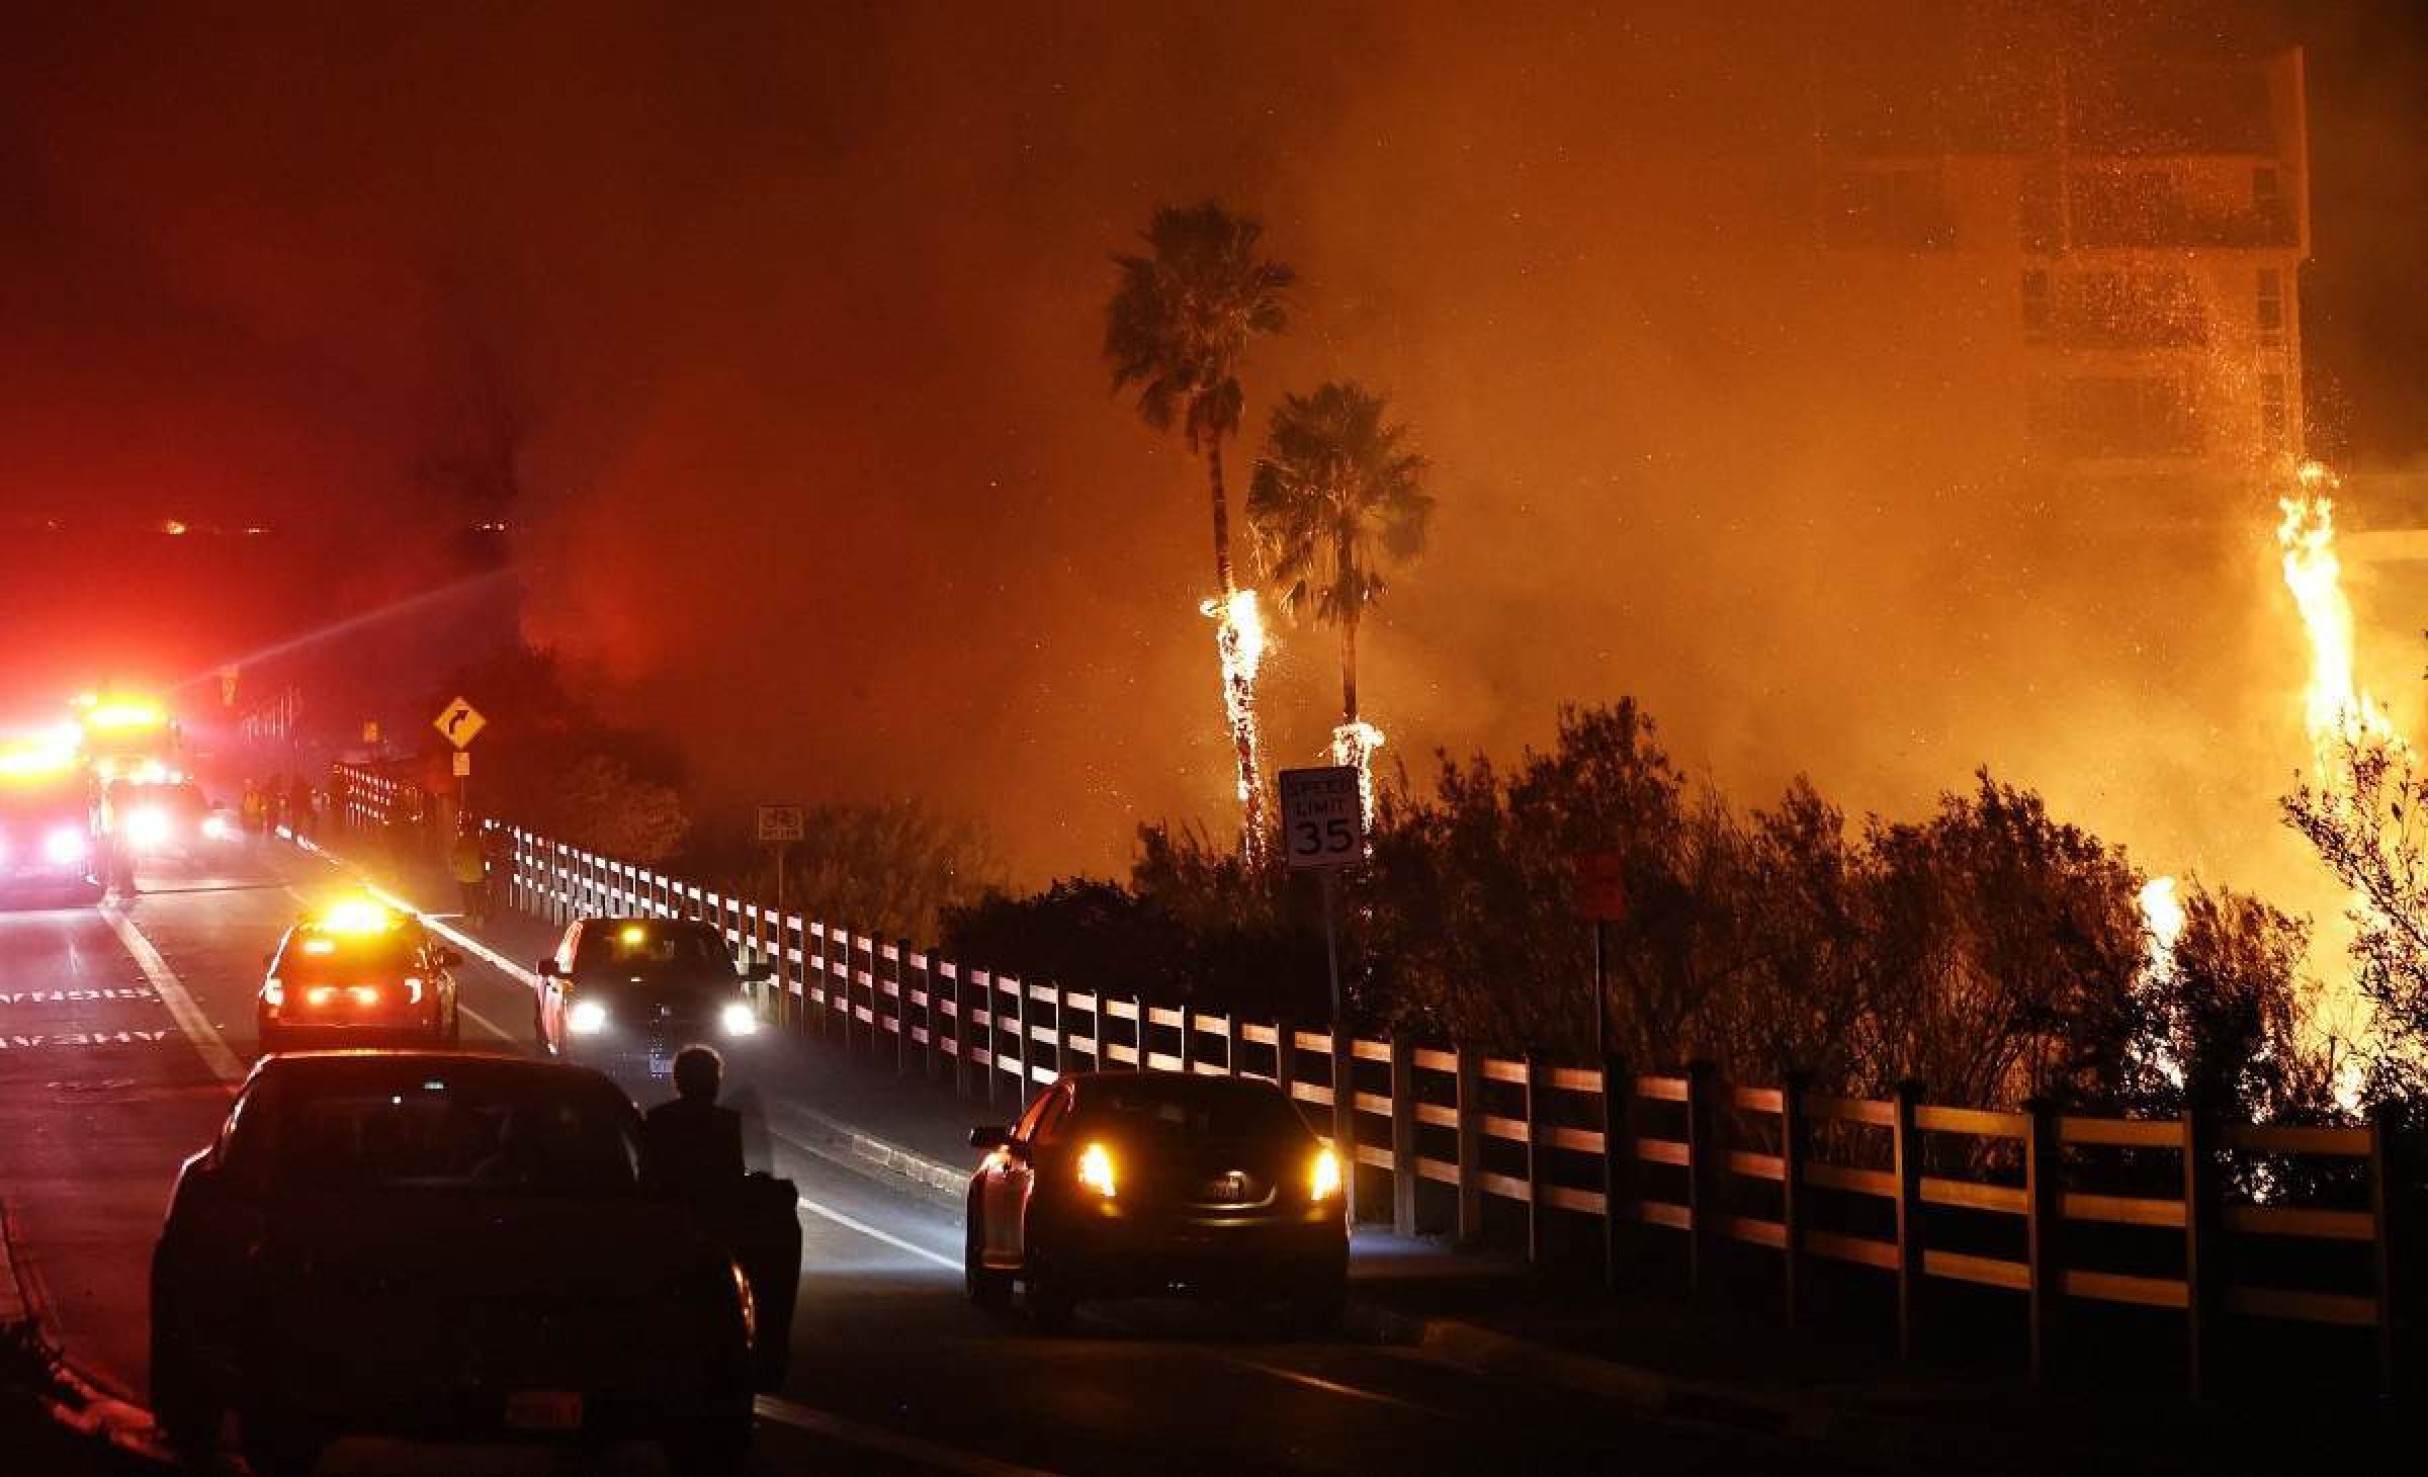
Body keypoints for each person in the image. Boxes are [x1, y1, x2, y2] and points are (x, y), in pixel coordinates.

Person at [640, 1046, 745, 1207]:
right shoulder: (727, 1121)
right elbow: (734, 1174)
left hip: (669, 1212)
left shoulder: (658, 1118)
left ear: (678, 1080)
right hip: (716, 1211)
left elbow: (647, 1175)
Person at [448, 822, 488, 923]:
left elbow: (454, 857)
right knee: (478, 896)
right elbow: (483, 856)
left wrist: (453, 870)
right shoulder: (477, 842)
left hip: (463, 875)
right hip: (476, 874)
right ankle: (479, 917)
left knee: (467, 897)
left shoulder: (460, 842)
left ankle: (469, 916)